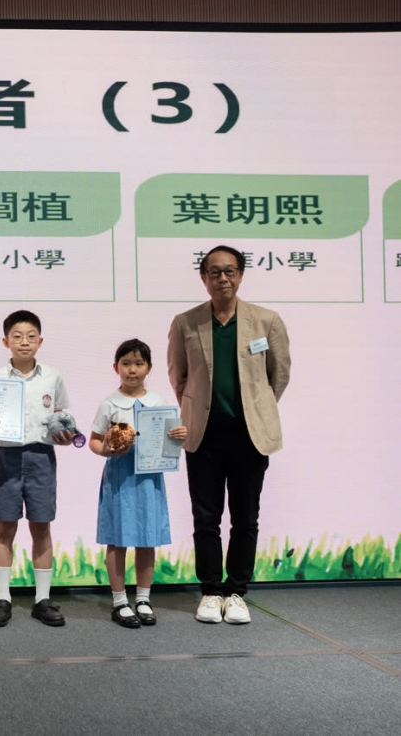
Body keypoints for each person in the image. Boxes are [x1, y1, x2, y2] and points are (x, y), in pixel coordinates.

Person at [168, 245, 291, 625]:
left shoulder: (266, 321)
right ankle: (210, 591)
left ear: (240, 275)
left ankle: (237, 591)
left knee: (245, 518)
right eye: (215, 272)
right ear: (203, 277)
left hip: (249, 437)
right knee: (206, 518)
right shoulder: (186, 322)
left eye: (230, 271)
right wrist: (197, 409)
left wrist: (256, 409)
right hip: (203, 437)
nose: (223, 278)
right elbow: (179, 376)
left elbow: (278, 375)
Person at [87, 339, 188, 628]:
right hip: (120, 478)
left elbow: (169, 442)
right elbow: (94, 440)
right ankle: (119, 601)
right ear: (116, 368)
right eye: (126, 364)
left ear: (149, 368)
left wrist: (179, 435)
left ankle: (143, 599)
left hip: (149, 479)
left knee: (147, 538)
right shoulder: (109, 404)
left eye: (139, 364)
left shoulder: (158, 403)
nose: (132, 370)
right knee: (117, 539)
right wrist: (107, 450)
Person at [0, 310, 75, 628]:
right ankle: (3, 599)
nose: (24, 342)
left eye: (31, 336)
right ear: (5, 341)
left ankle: (42, 600)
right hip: (7, 457)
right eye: (17, 336)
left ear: (40, 340)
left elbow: (62, 416)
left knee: (41, 527)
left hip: (41, 457)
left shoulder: (53, 377)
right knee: (4, 527)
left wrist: (66, 434)